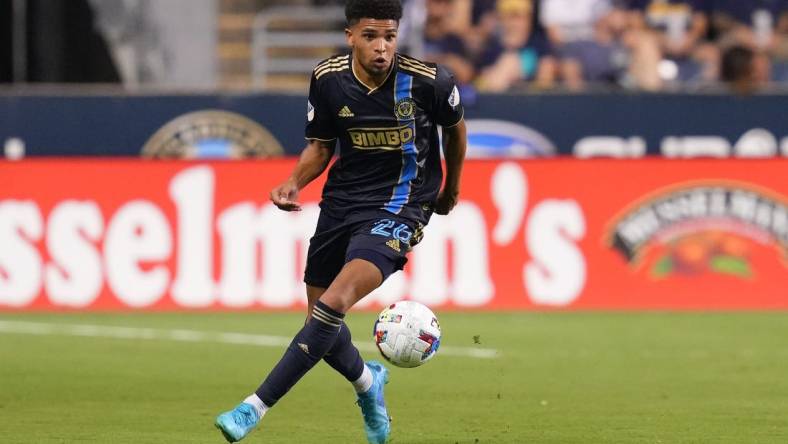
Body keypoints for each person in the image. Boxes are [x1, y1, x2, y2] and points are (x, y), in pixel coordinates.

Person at [214, 0, 467, 443]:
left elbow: (456, 129)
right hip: (342, 203)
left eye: (389, 36)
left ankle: (252, 408)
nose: (382, 48)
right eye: (371, 36)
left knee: (334, 303)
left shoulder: (430, 82)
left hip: (401, 207)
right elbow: (320, 145)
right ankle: (369, 383)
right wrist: (293, 181)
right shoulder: (328, 79)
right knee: (319, 318)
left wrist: (450, 188)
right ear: (350, 36)